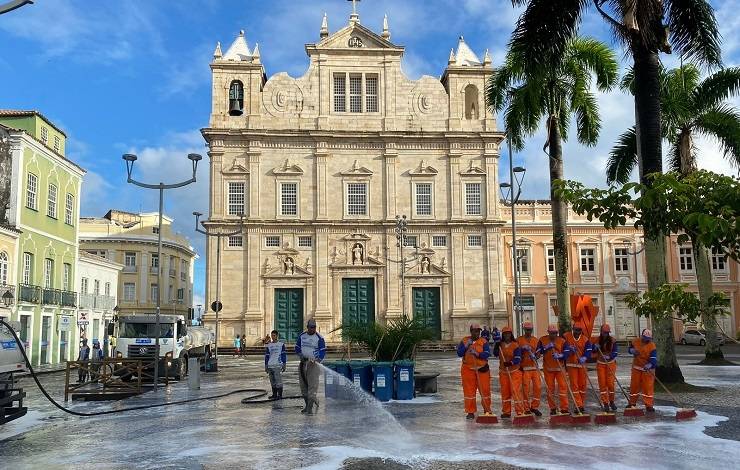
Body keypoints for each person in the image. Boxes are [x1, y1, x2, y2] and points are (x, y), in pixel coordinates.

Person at [456, 323, 492, 419]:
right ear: (471, 331)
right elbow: (459, 353)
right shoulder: (464, 340)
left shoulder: (483, 341)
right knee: (469, 392)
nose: (477, 333)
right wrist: (466, 345)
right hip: (468, 370)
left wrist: (478, 354)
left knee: (485, 390)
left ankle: (487, 409)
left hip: (482, 369)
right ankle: (470, 411)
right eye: (475, 331)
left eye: (478, 331)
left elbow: (487, 354)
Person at [536, 324, 570, 415]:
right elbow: (538, 352)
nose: (553, 335)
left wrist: (560, 355)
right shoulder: (542, 340)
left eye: (555, 333)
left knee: (563, 388)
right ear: (548, 332)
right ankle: (553, 408)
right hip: (548, 369)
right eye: (551, 333)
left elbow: (567, 353)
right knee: (550, 389)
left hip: (560, 369)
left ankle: (564, 408)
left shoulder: (562, 341)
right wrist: (545, 348)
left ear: (557, 333)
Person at [295, 318, 326, 414]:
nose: (313, 329)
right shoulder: (302, 336)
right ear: (307, 327)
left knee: (312, 389)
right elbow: (297, 347)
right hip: (303, 363)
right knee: (304, 388)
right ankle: (309, 404)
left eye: (314, 327)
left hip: (313, 365)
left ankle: (309, 408)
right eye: (311, 327)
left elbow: (322, 352)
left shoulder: (319, 338)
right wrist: (300, 356)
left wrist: (317, 360)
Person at [493, 325, 524, 418]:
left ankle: (519, 411)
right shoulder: (500, 345)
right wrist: (496, 345)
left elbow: (518, 358)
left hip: (514, 371)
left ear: (511, 334)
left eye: (508, 334)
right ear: (503, 335)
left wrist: (510, 363)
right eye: (505, 334)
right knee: (505, 392)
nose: (507, 336)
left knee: (516, 392)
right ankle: (506, 412)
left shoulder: (515, 345)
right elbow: (495, 354)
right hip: (503, 372)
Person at [563, 322, 592, 413]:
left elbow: (588, 350)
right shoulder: (566, 336)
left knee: (582, 385)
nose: (577, 332)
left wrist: (585, 357)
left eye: (579, 330)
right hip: (571, 365)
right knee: (574, 386)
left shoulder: (585, 339)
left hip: (582, 365)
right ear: (573, 329)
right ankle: (578, 405)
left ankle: (581, 404)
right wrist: (569, 350)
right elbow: (564, 348)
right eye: (576, 330)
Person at [627, 328, 657, 412]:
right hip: (636, 367)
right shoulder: (635, 342)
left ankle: (649, 405)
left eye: (648, 339)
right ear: (642, 336)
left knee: (647, 387)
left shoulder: (652, 346)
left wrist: (650, 364)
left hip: (647, 370)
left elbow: (654, 358)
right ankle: (632, 403)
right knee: (634, 386)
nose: (647, 341)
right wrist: (631, 350)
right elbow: (630, 349)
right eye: (645, 339)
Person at [517, 321, 542, 416]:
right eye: (527, 330)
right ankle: (526, 408)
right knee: (525, 389)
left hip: (534, 367)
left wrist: (536, 356)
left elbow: (539, 352)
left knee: (538, 387)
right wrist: (522, 349)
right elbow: (516, 352)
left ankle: (534, 407)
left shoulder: (536, 340)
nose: (528, 331)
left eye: (530, 330)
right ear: (524, 330)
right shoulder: (519, 340)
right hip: (524, 368)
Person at [592, 324, 618, 412]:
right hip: (600, 364)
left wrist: (610, 356)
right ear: (601, 332)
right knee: (602, 384)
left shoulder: (613, 341)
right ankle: (605, 403)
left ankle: (612, 401)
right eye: (604, 333)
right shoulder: (597, 340)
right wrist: (595, 347)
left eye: (607, 333)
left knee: (610, 384)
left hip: (610, 364)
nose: (606, 334)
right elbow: (592, 350)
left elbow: (615, 352)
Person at [265, 330, 287, 400]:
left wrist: (284, 364)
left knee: (278, 381)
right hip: (270, 365)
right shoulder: (269, 345)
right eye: (272, 335)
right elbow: (267, 356)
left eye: (274, 335)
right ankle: (274, 394)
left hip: (277, 365)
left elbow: (283, 355)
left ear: (277, 336)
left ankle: (279, 395)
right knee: (272, 381)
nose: (272, 337)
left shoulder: (281, 345)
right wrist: (266, 365)